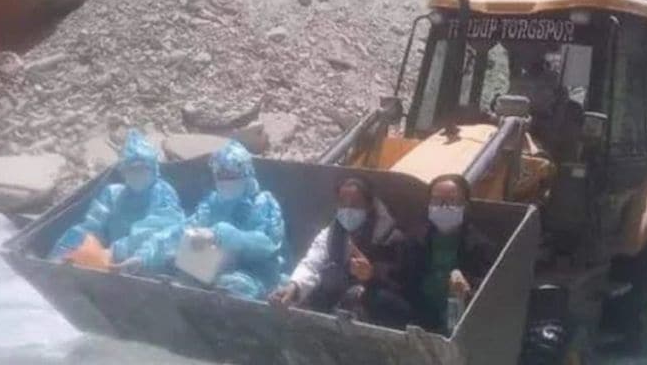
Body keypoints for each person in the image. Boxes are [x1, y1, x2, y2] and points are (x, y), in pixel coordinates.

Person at [268, 177, 412, 326]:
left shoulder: (391, 237)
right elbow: (312, 264)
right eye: (343, 203)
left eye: (355, 204)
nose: (348, 209)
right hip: (341, 303)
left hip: (379, 306)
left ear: (369, 206)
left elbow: (401, 281)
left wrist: (371, 275)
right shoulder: (332, 234)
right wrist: (293, 287)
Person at [49, 130, 185, 273]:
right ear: (123, 171)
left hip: (150, 267)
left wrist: (117, 251)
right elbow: (91, 227)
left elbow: (161, 233)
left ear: (153, 169)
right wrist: (68, 251)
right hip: (110, 266)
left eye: (142, 169)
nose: (137, 173)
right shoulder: (113, 194)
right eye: (131, 169)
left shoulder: (163, 193)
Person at [180, 140, 287, 300]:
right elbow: (187, 229)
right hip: (214, 268)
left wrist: (220, 234)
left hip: (257, 274)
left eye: (232, 176)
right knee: (181, 277)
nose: (226, 181)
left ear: (247, 174)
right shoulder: (212, 201)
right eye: (221, 176)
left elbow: (269, 246)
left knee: (230, 287)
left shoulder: (263, 202)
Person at [400, 174, 498, 334]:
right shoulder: (415, 238)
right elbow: (399, 276)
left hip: (457, 313)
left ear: (465, 205)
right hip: (419, 308)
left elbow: (489, 292)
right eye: (437, 201)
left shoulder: (480, 245)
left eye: (451, 201)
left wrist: (466, 290)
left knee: (456, 312)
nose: (443, 206)